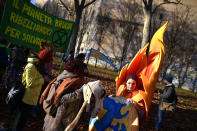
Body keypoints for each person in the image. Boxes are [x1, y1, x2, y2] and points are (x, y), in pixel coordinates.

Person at [40, 53, 87, 131]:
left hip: (49, 118)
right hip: (57, 122)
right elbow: (61, 98)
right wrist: (79, 93)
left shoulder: (61, 78)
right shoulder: (69, 83)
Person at [12, 49, 53, 131]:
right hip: (26, 98)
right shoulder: (31, 66)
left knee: (23, 120)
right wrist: (43, 79)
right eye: (47, 61)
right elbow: (30, 83)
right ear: (44, 59)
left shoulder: (38, 65)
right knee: (20, 119)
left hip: (31, 98)